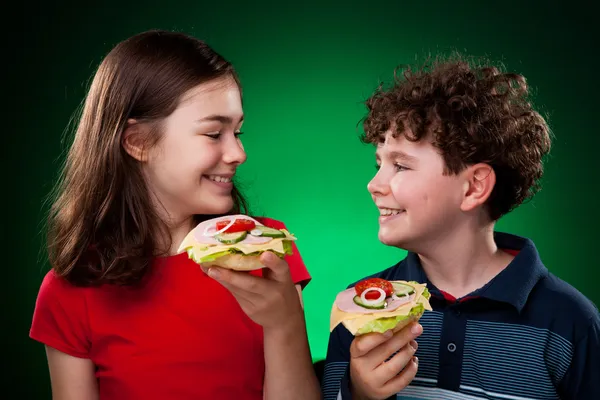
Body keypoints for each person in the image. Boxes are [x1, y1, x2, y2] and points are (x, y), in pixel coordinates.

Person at [29, 29, 320, 400]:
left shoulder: (266, 250)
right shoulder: (70, 290)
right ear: (137, 142)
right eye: (214, 133)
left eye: (238, 131)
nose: (238, 153)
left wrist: (285, 326)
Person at [322, 54, 600, 400]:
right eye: (379, 163)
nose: (373, 184)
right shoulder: (361, 308)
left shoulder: (571, 322)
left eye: (401, 166)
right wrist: (360, 393)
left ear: (473, 187)